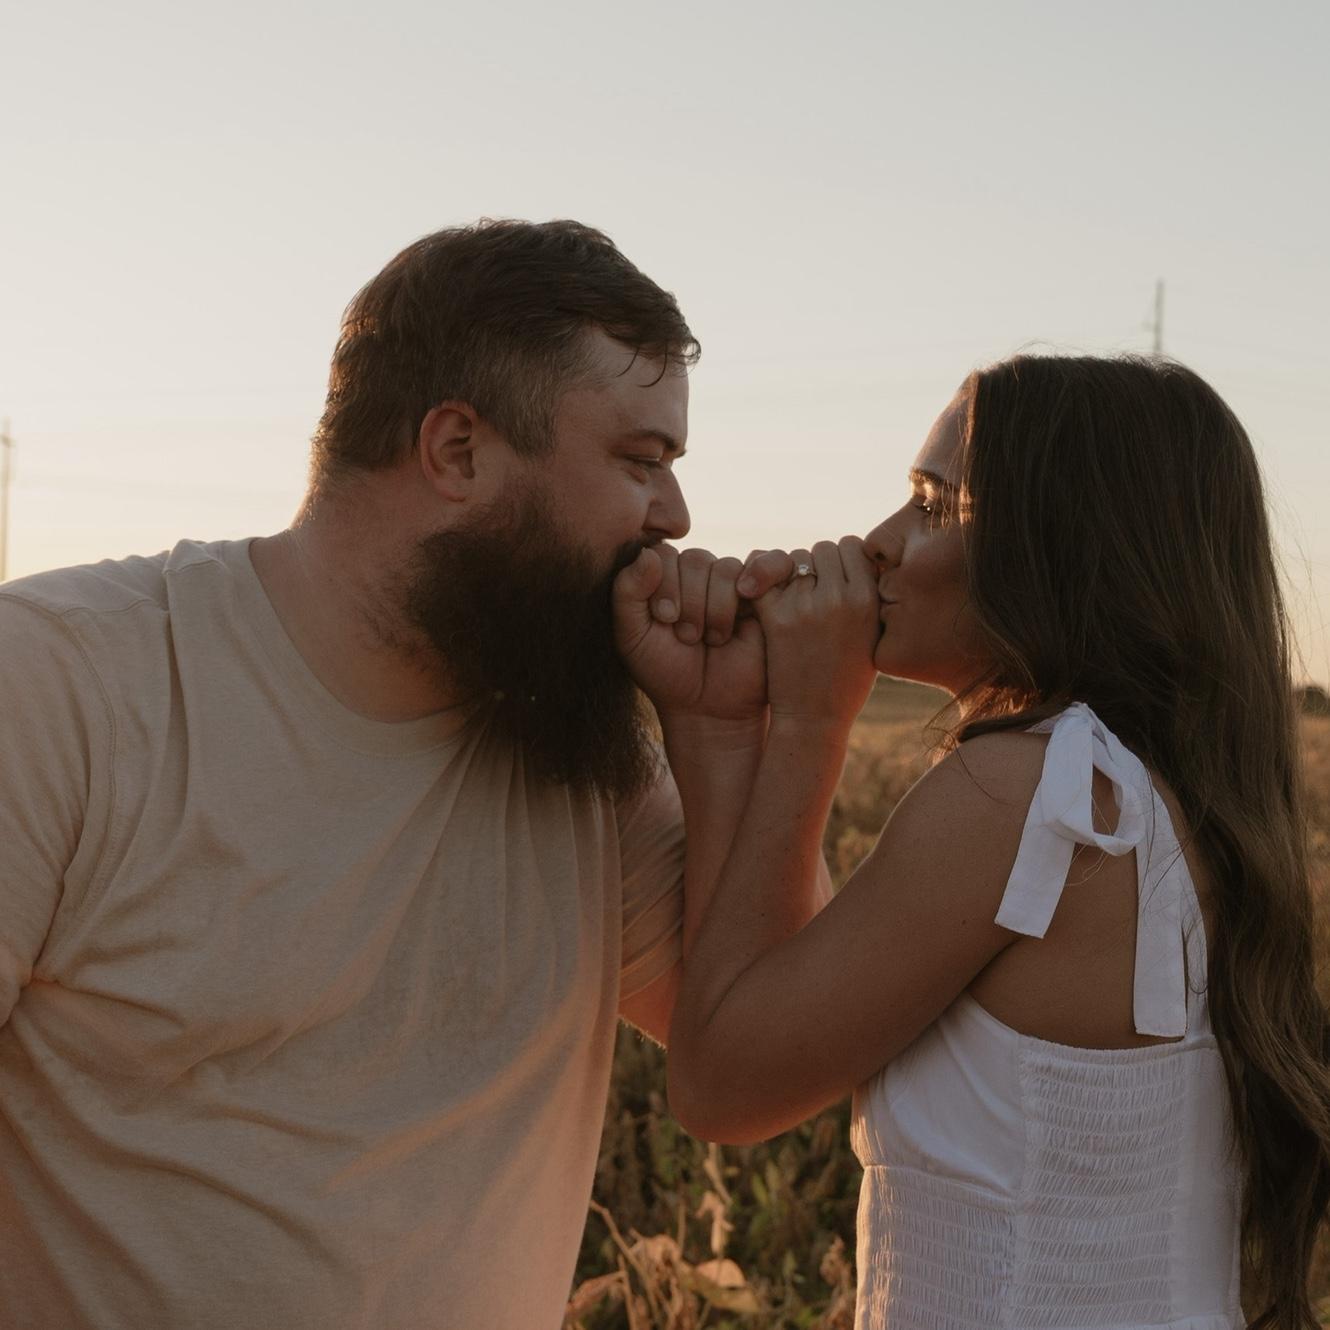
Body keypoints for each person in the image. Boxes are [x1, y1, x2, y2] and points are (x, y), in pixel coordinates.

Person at [0, 219, 794, 1329]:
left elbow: (757, 1065)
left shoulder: (579, 755)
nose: (675, 518)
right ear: (457, 451)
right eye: (641, 461)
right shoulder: (59, 683)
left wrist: (728, 736)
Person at [667, 355, 1330, 1330]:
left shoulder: (1026, 794)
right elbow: (790, 1006)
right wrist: (723, 724)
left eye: (936, 505)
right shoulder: (1151, 791)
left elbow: (724, 1085)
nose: (878, 542)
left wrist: (806, 722)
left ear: (1070, 546)